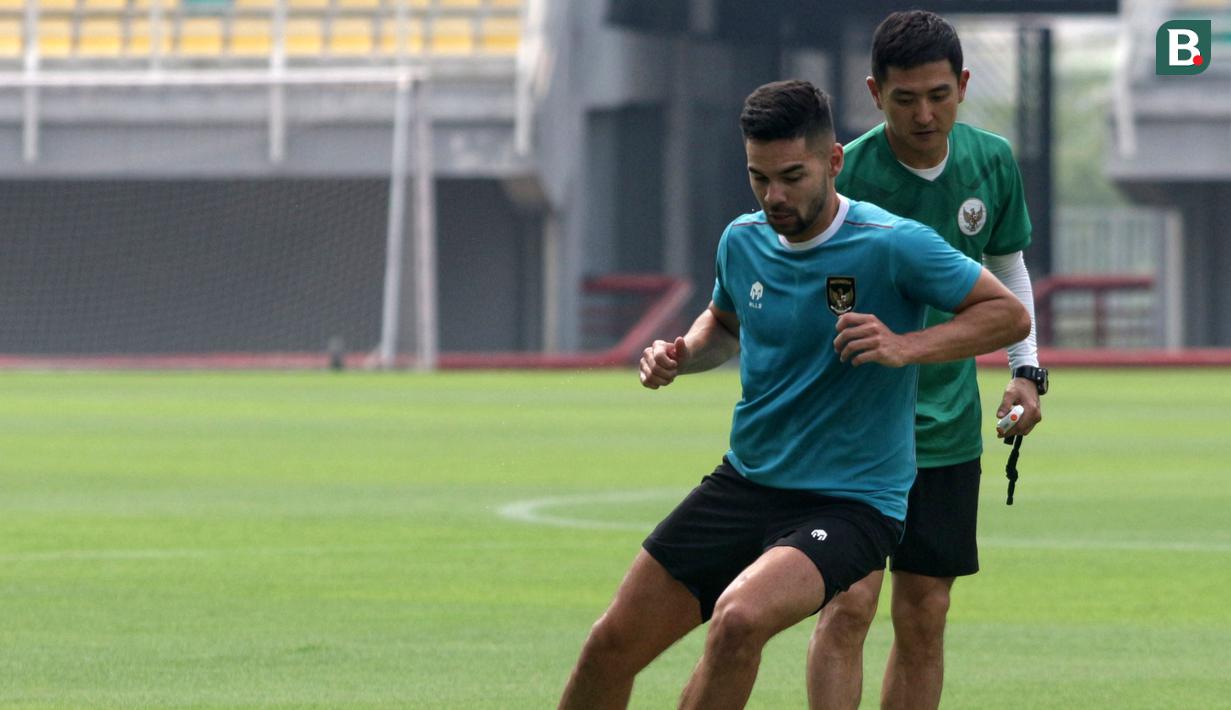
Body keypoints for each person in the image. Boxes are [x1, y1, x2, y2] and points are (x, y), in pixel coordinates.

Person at [556, 79, 1031, 710]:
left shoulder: (891, 243)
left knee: (739, 619)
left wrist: (904, 345)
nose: (774, 196)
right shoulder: (742, 240)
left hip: (852, 502)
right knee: (609, 645)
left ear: (834, 161)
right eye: (759, 178)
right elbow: (724, 324)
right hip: (747, 482)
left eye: (792, 176)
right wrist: (682, 355)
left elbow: (1007, 315)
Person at [806, 11, 1047, 710]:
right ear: (873, 92)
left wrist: (1025, 371)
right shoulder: (846, 172)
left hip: (945, 428)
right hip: (854, 432)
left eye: (938, 95)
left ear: (963, 85)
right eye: (904, 98)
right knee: (847, 605)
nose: (923, 113)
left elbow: (1008, 269)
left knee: (924, 613)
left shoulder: (989, 160)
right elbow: (819, 285)